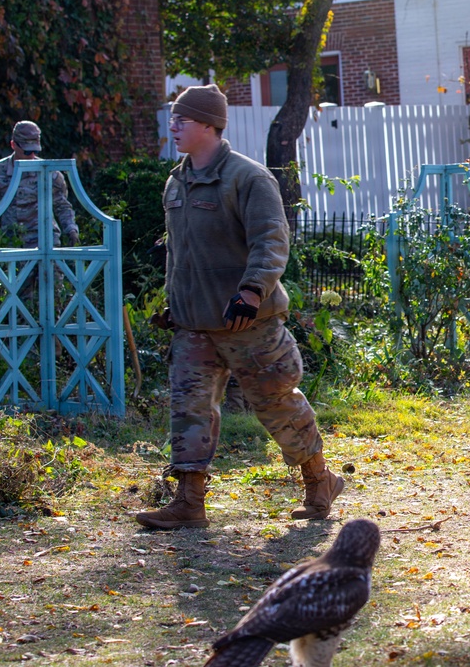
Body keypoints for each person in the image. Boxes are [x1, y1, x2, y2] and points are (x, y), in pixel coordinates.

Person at [136, 83, 343, 530]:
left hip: (247, 320)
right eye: (172, 118)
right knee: (188, 405)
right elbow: (181, 251)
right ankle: (189, 501)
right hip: (194, 323)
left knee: (275, 403)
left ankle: (319, 481)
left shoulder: (247, 178)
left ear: (210, 125)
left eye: (182, 120)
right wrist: (175, 302)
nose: (172, 127)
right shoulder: (176, 181)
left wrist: (252, 290)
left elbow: (271, 238)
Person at [0, 121, 79, 248]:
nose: (31, 156)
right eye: (26, 152)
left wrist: (71, 229)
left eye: (34, 151)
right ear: (13, 145)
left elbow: (62, 205)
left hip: (45, 241)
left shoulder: (50, 173)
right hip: (12, 242)